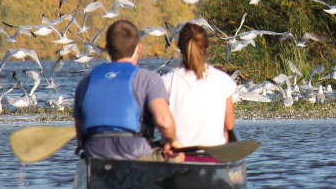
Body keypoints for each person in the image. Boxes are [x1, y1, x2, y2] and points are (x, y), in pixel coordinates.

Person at [74, 19, 182, 161]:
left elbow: (81, 135)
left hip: (95, 154)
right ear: (139, 48)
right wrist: (173, 141)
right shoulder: (148, 79)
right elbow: (164, 122)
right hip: (135, 154)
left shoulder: (85, 82)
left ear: (106, 48)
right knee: (179, 156)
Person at [161, 22, 236, 151]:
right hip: (213, 155)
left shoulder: (165, 81)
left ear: (180, 48)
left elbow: (159, 121)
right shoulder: (223, 80)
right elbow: (229, 125)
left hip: (178, 154)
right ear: (206, 47)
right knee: (226, 134)